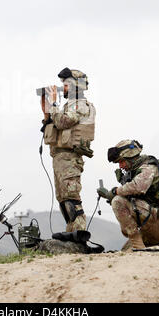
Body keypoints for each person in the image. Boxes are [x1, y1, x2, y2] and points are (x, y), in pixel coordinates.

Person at [97, 140, 159, 250]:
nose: (120, 166)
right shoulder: (139, 170)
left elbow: (137, 187)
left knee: (117, 201)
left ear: (130, 157)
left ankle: (139, 247)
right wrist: (109, 195)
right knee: (126, 249)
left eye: (122, 161)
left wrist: (114, 192)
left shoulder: (149, 167)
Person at [40, 67, 96, 233]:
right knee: (63, 197)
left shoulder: (80, 105)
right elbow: (53, 125)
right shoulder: (68, 105)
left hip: (70, 157)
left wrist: (54, 103)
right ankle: (71, 229)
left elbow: (64, 122)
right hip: (60, 157)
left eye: (65, 85)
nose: (62, 88)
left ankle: (79, 230)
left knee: (71, 196)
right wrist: (46, 111)